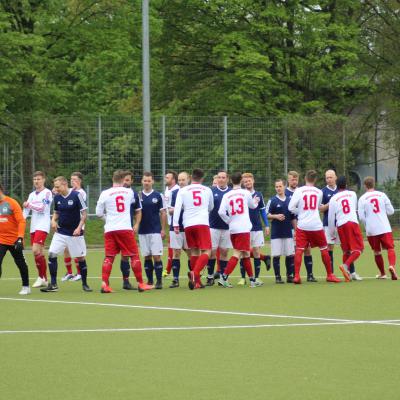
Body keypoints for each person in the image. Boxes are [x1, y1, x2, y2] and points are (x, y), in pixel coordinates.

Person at [96, 170, 153, 293]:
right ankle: (141, 283)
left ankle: (105, 284)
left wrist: (108, 220)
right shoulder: (129, 192)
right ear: (123, 180)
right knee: (134, 255)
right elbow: (136, 207)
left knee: (109, 257)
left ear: (113, 179)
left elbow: (98, 213)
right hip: (125, 228)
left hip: (110, 229)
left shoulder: (105, 193)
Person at [288, 170, 341, 284]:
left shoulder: (299, 191)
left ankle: (297, 276)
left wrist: (300, 211)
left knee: (299, 250)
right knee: (323, 249)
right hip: (316, 225)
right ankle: (330, 275)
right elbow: (317, 208)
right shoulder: (319, 192)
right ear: (315, 180)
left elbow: (291, 208)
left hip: (302, 225)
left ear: (305, 178)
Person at [41, 176, 92, 292]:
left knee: (80, 258)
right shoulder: (57, 197)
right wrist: (53, 220)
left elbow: (84, 214)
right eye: (55, 187)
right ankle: (53, 285)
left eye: (57, 186)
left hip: (75, 233)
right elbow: (56, 212)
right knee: (52, 254)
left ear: (64, 184)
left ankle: (85, 284)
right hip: (61, 232)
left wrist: (79, 228)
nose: (56, 189)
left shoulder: (76, 195)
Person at [217, 172, 260, 288]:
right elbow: (253, 206)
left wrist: (229, 221)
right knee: (238, 253)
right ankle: (224, 276)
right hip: (243, 227)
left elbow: (221, 212)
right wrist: (255, 201)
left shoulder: (227, 195)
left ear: (231, 181)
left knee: (245, 254)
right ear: (241, 180)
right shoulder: (245, 193)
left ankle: (252, 280)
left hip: (233, 228)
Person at [173, 168, 213, 290]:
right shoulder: (207, 190)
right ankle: (195, 273)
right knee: (207, 251)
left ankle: (197, 282)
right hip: (202, 222)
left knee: (194, 251)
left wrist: (175, 224)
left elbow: (177, 207)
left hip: (188, 224)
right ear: (202, 178)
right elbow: (211, 207)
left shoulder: (183, 190)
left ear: (191, 177)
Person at [358, 176, 398, 280]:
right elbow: (391, 211)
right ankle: (392, 266)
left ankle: (382, 273)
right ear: (374, 184)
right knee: (390, 247)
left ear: (365, 186)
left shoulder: (362, 198)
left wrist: (368, 222)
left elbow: (361, 217)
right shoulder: (382, 195)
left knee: (377, 251)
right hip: (384, 226)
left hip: (371, 229)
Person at [328, 176, 364, 282]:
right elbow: (354, 208)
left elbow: (331, 218)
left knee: (346, 251)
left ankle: (347, 274)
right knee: (359, 249)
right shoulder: (352, 194)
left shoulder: (333, 198)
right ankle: (345, 266)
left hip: (341, 225)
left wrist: (332, 233)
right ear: (346, 185)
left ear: (337, 186)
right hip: (351, 222)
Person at [239, 172, 271, 285]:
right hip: (244, 228)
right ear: (243, 183)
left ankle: (256, 277)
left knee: (256, 251)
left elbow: (262, 210)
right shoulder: (241, 194)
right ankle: (243, 277)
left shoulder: (258, 194)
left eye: (249, 181)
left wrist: (266, 225)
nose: (247, 183)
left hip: (257, 228)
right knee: (244, 252)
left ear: (253, 181)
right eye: (245, 181)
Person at [23, 171, 52, 288]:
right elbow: (25, 212)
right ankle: (44, 278)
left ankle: (41, 277)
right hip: (34, 226)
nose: (36, 181)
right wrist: (19, 222)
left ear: (44, 180)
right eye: (35, 179)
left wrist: (28, 205)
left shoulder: (47, 193)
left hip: (43, 225)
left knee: (35, 250)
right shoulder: (31, 195)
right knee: (38, 252)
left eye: (39, 179)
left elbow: (42, 208)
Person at [286, 170, 316, 282]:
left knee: (307, 249)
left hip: (304, 225)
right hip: (290, 227)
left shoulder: (302, 191)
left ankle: (310, 275)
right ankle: (293, 275)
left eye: (296, 179)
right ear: (288, 180)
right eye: (292, 179)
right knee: (294, 250)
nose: (294, 181)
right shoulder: (285, 193)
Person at [0, 183, 30, 295]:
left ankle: (26, 286)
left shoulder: (12, 203)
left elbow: (21, 221)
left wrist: (20, 238)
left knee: (20, 262)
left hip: (14, 240)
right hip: (1, 240)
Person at [138, 172, 167, 289]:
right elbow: (135, 212)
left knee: (156, 256)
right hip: (142, 231)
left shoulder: (158, 195)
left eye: (149, 181)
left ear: (153, 182)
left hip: (155, 230)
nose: (147, 183)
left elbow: (163, 213)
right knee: (147, 256)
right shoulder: (138, 195)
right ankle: (150, 281)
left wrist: (163, 229)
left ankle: (159, 281)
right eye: (145, 181)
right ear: (142, 181)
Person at [267, 179, 296, 283]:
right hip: (276, 233)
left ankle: (289, 276)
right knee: (276, 255)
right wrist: (275, 216)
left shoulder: (290, 200)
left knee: (289, 255)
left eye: (280, 186)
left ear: (284, 186)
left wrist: (296, 231)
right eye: (276, 187)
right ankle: (278, 277)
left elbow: (293, 217)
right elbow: (267, 215)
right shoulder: (272, 200)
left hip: (288, 232)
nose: (278, 188)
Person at [206, 170, 232, 286]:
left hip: (227, 227)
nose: (221, 179)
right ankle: (210, 276)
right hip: (213, 226)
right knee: (212, 251)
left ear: (227, 179)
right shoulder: (211, 191)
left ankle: (223, 277)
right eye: (219, 177)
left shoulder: (231, 192)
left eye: (223, 177)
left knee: (224, 252)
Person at [120, 170, 144, 290]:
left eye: (128, 180)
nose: (125, 182)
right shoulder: (113, 193)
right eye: (124, 179)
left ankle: (126, 281)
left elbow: (138, 210)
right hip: (115, 229)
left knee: (125, 255)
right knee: (112, 255)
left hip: (127, 228)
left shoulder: (133, 194)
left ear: (132, 181)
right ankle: (106, 283)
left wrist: (137, 224)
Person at [62, 172, 86, 282]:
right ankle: (69, 272)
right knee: (66, 249)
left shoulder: (81, 192)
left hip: (78, 225)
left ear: (80, 181)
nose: (72, 181)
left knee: (76, 250)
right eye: (71, 179)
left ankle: (80, 273)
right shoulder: (70, 191)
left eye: (75, 179)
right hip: (68, 225)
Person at [168, 171, 190, 288]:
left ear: (188, 180)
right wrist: (176, 208)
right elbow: (170, 210)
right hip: (175, 227)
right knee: (176, 253)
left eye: (183, 180)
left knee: (190, 252)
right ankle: (175, 279)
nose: (181, 182)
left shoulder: (191, 192)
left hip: (188, 227)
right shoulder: (175, 193)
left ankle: (193, 277)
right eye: (180, 180)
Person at [163, 170, 179, 278]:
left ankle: (168, 269)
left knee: (174, 248)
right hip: (170, 222)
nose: (165, 179)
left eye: (168, 177)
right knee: (173, 247)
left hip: (177, 224)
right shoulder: (167, 189)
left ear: (173, 180)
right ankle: (168, 269)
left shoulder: (177, 190)